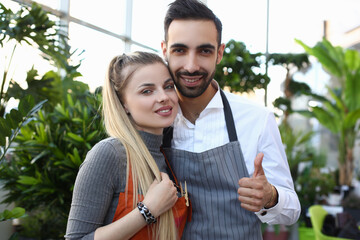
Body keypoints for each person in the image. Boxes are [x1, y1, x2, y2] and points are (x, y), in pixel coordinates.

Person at [160, 0, 301, 239]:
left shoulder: (257, 119)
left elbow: (292, 211)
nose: (192, 66)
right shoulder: (154, 120)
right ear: (165, 51)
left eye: (204, 51)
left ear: (219, 53)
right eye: (180, 50)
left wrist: (270, 196)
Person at [65, 52, 190, 240]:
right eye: (147, 91)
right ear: (124, 104)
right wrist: (147, 211)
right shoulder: (110, 154)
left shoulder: (168, 155)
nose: (164, 97)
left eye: (168, 86)